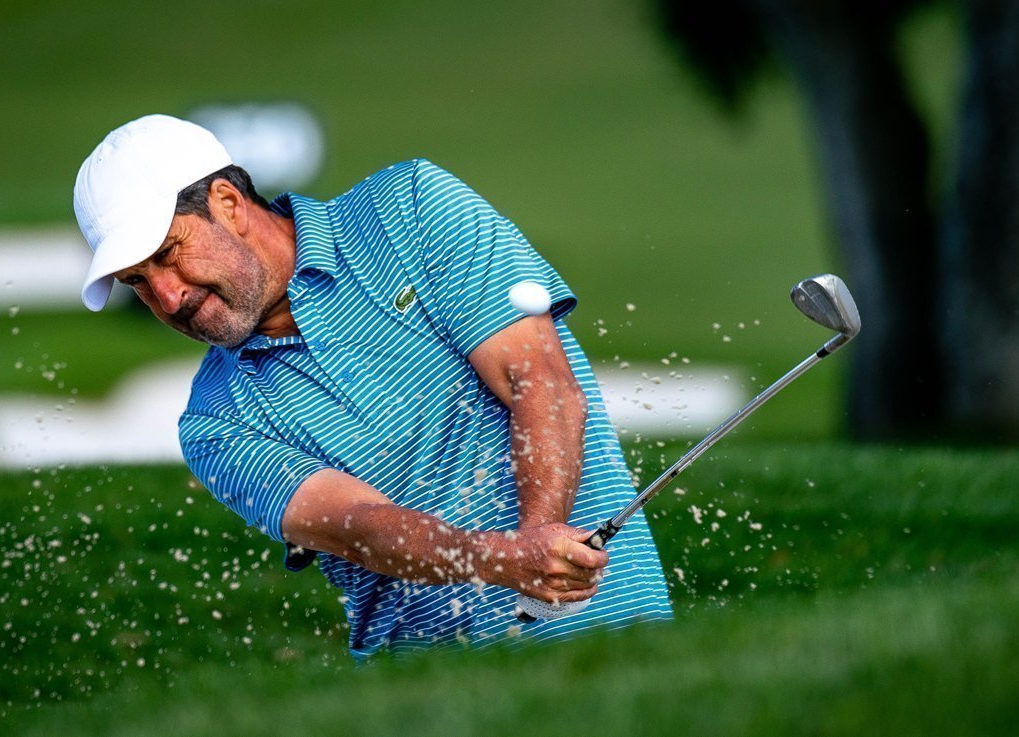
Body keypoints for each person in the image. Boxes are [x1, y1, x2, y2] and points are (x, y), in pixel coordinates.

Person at [74, 114, 671, 658]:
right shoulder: (214, 423)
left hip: (628, 646)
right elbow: (360, 526)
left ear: (228, 202)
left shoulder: (408, 208)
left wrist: (543, 534)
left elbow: (539, 381)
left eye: (170, 254)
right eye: (137, 281)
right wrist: (512, 559)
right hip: (442, 702)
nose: (168, 296)